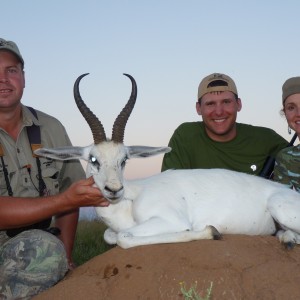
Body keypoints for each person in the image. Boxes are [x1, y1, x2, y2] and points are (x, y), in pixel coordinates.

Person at [0, 38, 109, 299]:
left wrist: (65, 255)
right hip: (27, 248)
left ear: (23, 78)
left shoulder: (51, 128)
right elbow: (66, 198)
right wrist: (62, 200)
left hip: (34, 247)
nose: (3, 79)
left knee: (47, 250)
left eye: (11, 71)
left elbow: (72, 191)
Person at [161, 72, 288, 175]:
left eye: (226, 102)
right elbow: (169, 189)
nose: (219, 112)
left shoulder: (265, 139)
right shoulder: (185, 136)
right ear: (198, 108)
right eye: (210, 104)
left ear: (238, 104)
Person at [273, 77, 300, 191]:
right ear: (285, 113)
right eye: (291, 107)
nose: (298, 113)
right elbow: (284, 204)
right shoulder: (286, 158)